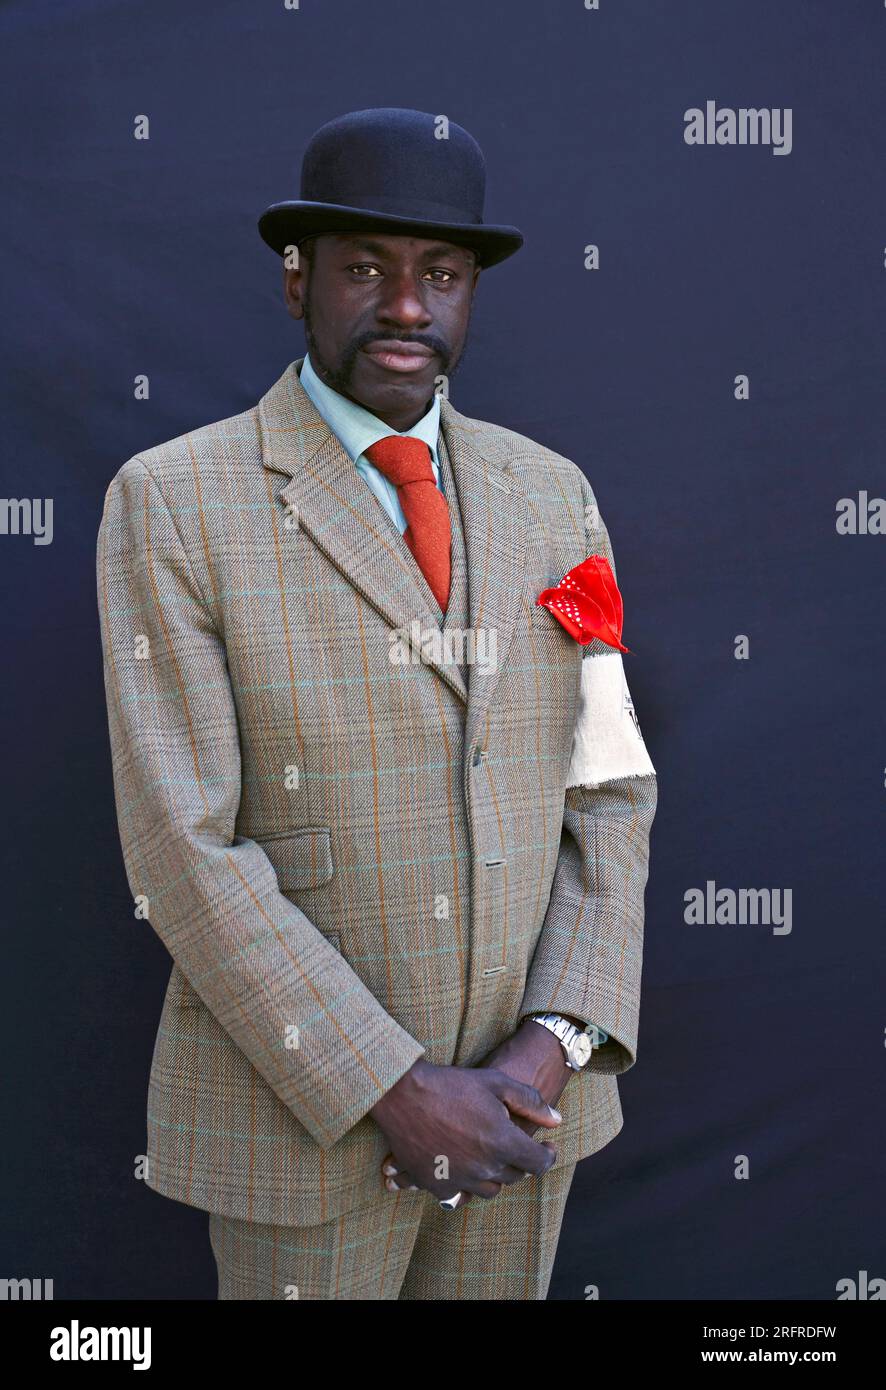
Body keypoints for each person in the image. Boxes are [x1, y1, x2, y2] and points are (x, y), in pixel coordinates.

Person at [96, 106, 658, 1300]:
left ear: (468, 294)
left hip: (524, 1121)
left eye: (439, 274)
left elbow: (609, 788)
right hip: (303, 1135)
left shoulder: (556, 498)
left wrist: (548, 1048)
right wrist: (396, 1089)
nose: (407, 306)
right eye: (364, 269)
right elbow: (182, 847)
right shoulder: (176, 502)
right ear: (295, 284)